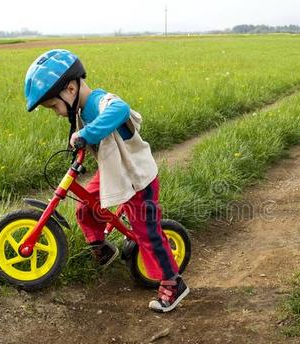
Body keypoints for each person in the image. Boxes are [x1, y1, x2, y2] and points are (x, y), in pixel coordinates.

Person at [23, 49, 189, 313]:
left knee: (147, 232)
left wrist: (86, 133)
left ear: (69, 89)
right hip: (113, 172)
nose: (56, 112)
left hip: (136, 177)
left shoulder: (99, 101)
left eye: (54, 106)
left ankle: (172, 282)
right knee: (85, 207)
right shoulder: (79, 110)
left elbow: (119, 109)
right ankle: (103, 248)